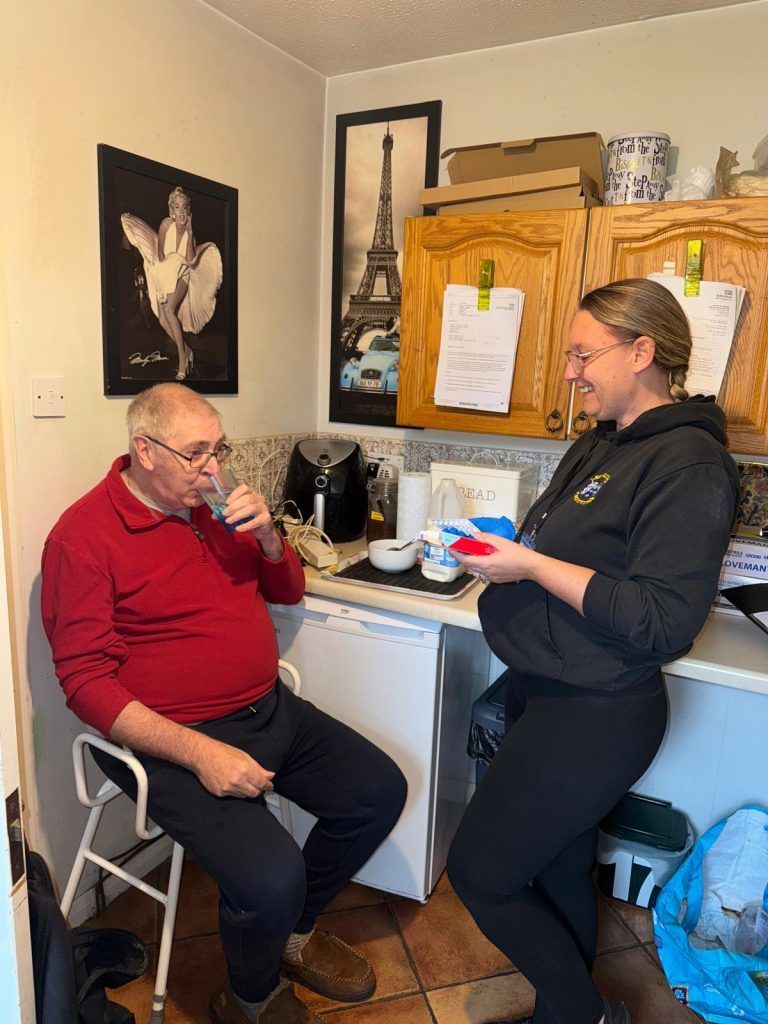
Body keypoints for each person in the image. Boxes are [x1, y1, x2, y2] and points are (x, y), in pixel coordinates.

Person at [41, 383, 407, 1024]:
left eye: (220, 449)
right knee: (270, 876)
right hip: (170, 739)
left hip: (266, 708)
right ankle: (248, 995)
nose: (215, 468)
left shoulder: (215, 506)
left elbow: (288, 590)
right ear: (143, 450)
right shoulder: (83, 537)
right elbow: (84, 682)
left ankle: (293, 931)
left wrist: (269, 537)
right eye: (196, 453)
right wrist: (201, 752)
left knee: (378, 791)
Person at [446, 278, 740, 1024]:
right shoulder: (604, 438)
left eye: (584, 355)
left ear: (642, 352)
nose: (571, 371)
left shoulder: (690, 465)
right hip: (547, 686)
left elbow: (662, 618)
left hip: (599, 712)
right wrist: (511, 548)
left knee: (480, 874)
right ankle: (561, 1014)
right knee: (557, 863)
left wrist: (533, 566)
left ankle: (587, 1015)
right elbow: (574, 547)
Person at [121, 187, 223, 380]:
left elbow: (192, 262)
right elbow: (159, 255)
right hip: (166, 272)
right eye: (176, 207)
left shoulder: (190, 233)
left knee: (169, 311)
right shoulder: (165, 225)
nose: (181, 212)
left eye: (184, 207)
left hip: (183, 274)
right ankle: (187, 350)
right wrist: (161, 275)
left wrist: (191, 232)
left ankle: (183, 359)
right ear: (171, 211)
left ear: (188, 211)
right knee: (161, 318)